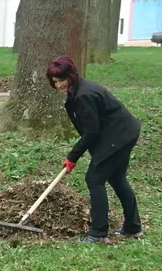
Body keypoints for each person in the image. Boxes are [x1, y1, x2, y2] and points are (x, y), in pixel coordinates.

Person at [48, 55, 143, 244]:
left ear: (71, 76)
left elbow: (92, 132)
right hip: (122, 133)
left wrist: (72, 156)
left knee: (94, 178)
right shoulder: (78, 90)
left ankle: (98, 233)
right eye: (55, 81)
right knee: (116, 178)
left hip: (119, 137)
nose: (59, 85)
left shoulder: (84, 95)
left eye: (62, 80)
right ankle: (133, 227)